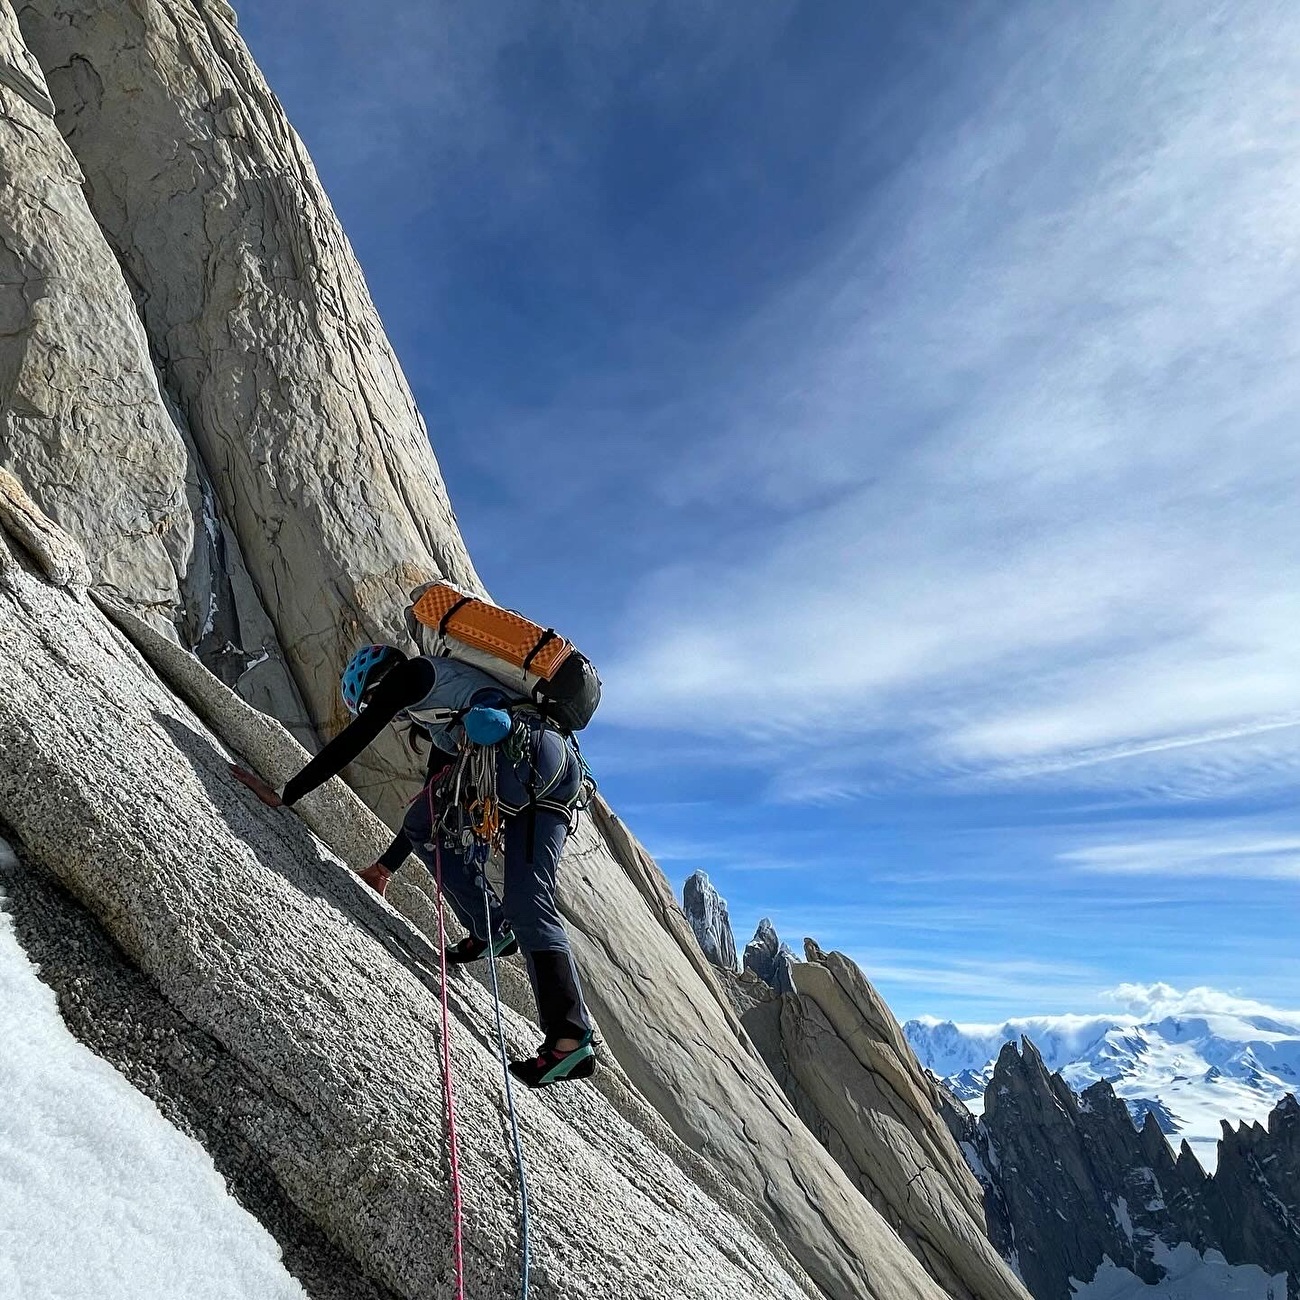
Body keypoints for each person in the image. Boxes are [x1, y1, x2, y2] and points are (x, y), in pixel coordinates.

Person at [232, 643, 596, 1088]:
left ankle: (492, 929)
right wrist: (386, 868)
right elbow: (427, 813)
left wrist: (287, 793)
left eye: (373, 701)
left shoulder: (416, 676)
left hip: (517, 760)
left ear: (378, 682)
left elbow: (354, 740)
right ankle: (569, 1039)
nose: (386, 712)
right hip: (556, 765)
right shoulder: (446, 708)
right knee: (529, 897)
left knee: (432, 825)